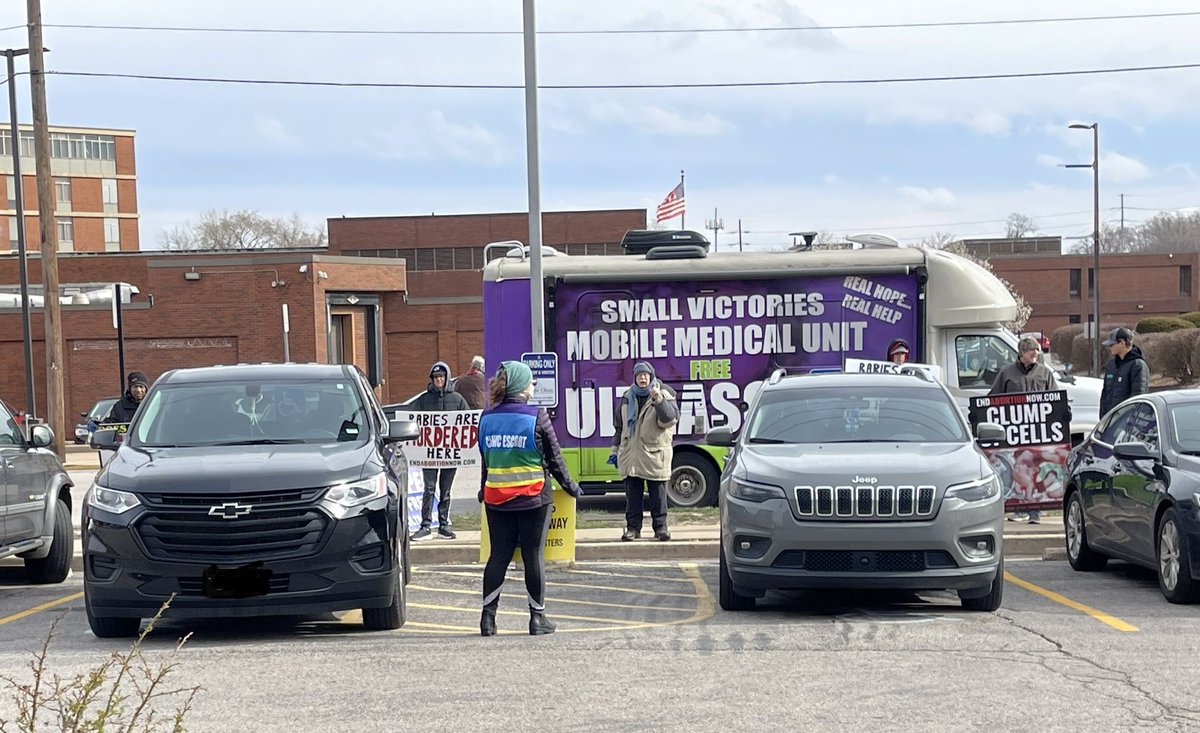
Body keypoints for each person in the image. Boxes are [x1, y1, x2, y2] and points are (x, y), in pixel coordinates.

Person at [477, 361, 583, 636]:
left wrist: (482, 489)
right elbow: (555, 459)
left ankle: (487, 620)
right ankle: (538, 619)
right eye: (530, 381)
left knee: (498, 556)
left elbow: (486, 461)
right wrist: (571, 487)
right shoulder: (537, 416)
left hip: (496, 498)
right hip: (532, 497)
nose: (533, 384)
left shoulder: (486, 419)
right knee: (532, 556)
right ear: (520, 386)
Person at [990, 336, 1060, 525]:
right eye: (1032, 351)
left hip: (1038, 433)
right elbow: (992, 400)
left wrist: (1063, 414)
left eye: (1037, 351)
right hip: (1014, 434)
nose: (1036, 354)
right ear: (1022, 354)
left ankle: (1035, 512)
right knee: (1016, 470)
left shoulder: (1045, 374)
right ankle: (1019, 508)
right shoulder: (1006, 373)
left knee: (1035, 471)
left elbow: (1055, 399)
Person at [611, 361, 679, 542]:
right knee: (632, 496)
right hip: (631, 454)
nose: (642, 378)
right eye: (639, 375)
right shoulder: (627, 396)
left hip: (654, 453)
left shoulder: (664, 393)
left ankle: (660, 528)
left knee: (658, 495)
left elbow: (670, 419)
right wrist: (614, 450)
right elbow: (620, 426)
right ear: (634, 377)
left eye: (646, 374)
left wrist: (658, 400)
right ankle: (633, 528)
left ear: (651, 376)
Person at [411, 361, 471, 541]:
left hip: (450, 454)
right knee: (429, 488)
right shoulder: (423, 400)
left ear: (447, 378)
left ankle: (443, 524)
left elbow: (467, 424)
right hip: (428, 455)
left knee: (445, 490)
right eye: (436, 377)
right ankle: (425, 525)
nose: (439, 380)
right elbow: (414, 424)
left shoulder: (458, 399)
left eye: (441, 377)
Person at [1099, 327, 1148, 417]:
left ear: (1122, 343)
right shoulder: (1111, 364)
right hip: (1110, 420)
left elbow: (1138, 398)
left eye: (1112, 344)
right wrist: (1103, 418)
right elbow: (1105, 394)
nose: (1109, 347)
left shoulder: (1137, 365)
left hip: (1126, 422)